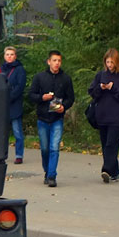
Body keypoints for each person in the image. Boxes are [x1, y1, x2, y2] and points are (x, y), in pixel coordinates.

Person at [28, 50, 74, 187]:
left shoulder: (66, 79)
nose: (57, 63)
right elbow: (31, 95)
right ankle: (47, 171)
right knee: (45, 149)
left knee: (54, 148)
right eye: (54, 60)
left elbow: (71, 98)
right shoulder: (39, 77)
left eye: (59, 61)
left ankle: (52, 176)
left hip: (57, 118)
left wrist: (64, 107)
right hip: (42, 118)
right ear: (49, 62)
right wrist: (42, 97)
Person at [87, 48, 119, 183]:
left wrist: (113, 88)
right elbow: (92, 93)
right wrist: (100, 88)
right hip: (102, 116)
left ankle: (106, 169)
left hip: (117, 117)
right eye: (107, 62)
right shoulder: (100, 75)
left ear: (117, 62)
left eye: (112, 62)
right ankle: (115, 171)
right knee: (105, 144)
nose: (110, 65)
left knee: (111, 145)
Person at [1, 46, 26, 164]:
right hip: (3, 105)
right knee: (3, 132)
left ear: (15, 56)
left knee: (17, 132)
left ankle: (19, 154)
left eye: (11, 54)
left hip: (14, 104)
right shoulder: (1, 69)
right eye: (7, 54)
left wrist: (9, 97)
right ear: (4, 56)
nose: (9, 56)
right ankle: (2, 154)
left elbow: (20, 87)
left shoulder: (19, 69)